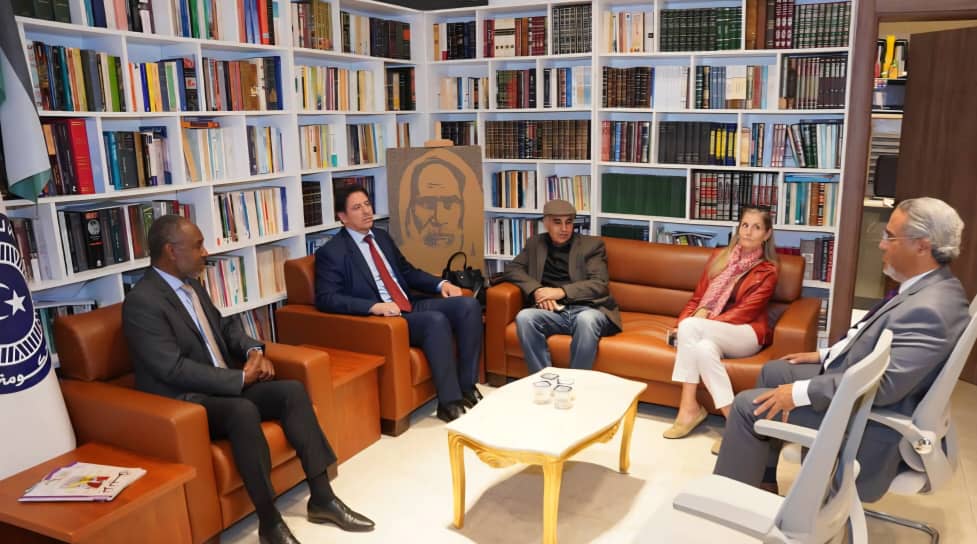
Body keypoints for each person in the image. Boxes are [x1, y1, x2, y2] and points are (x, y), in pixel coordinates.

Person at [122, 215, 374, 544]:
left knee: (292, 392)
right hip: (188, 401)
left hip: (224, 385)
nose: (205, 252)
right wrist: (240, 378)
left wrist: (254, 350)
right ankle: (269, 522)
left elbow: (225, 328)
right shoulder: (142, 302)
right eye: (198, 246)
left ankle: (322, 498)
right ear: (171, 251)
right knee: (242, 411)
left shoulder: (191, 285)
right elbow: (173, 369)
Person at [714, 197, 969, 502]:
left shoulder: (930, 309)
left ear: (922, 246)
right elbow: (871, 340)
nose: (881, 245)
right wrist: (825, 355)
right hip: (859, 391)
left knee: (747, 407)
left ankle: (728, 506)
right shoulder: (931, 287)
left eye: (890, 237)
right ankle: (763, 482)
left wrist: (799, 393)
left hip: (870, 423)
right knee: (775, 371)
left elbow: (883, 386)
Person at [315, 186, 483, 423]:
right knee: (435, 321)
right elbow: (326, 298)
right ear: (342, 217)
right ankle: (449, 402)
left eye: (367, 204)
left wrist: (441, 284)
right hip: (385, 319)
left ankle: (467, 386)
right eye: (357, 208)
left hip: (409, 305)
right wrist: (373, 307)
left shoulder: (381, 237)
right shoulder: (332, 252)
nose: (366, 211)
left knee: (468, 306)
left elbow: (407, 272)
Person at [663, 207, 779, 448]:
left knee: (691, 328)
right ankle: (735, 422)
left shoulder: (767, 271)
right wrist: (681, 325)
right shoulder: (719, 257)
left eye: (756, 227)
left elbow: (745, 312)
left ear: (767, 234)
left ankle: (688, 407)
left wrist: (697, 325)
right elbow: (698, 300)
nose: (748, 232)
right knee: (703, 349)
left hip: (746, 333)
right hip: (712, 330)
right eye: (745, 225)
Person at [503, 199, 622, 372]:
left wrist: (560, 292)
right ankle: (544, 378)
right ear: (545, 223)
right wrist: (537, 290)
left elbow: (599, 284)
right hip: (554, 312)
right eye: (557, 222)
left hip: (588, 309)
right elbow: (512, 269)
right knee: (525, 317)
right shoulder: (535, 243)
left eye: (569, 222)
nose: (564, 228)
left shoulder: (591, 245)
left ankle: (575, 382)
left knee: (586, 320)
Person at [395, 147, 484, 273]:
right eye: (427, 204)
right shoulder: (400, 265)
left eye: (449, 203)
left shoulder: (473, 259)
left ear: (464, 208)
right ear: (409, 209)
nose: (439, 219)